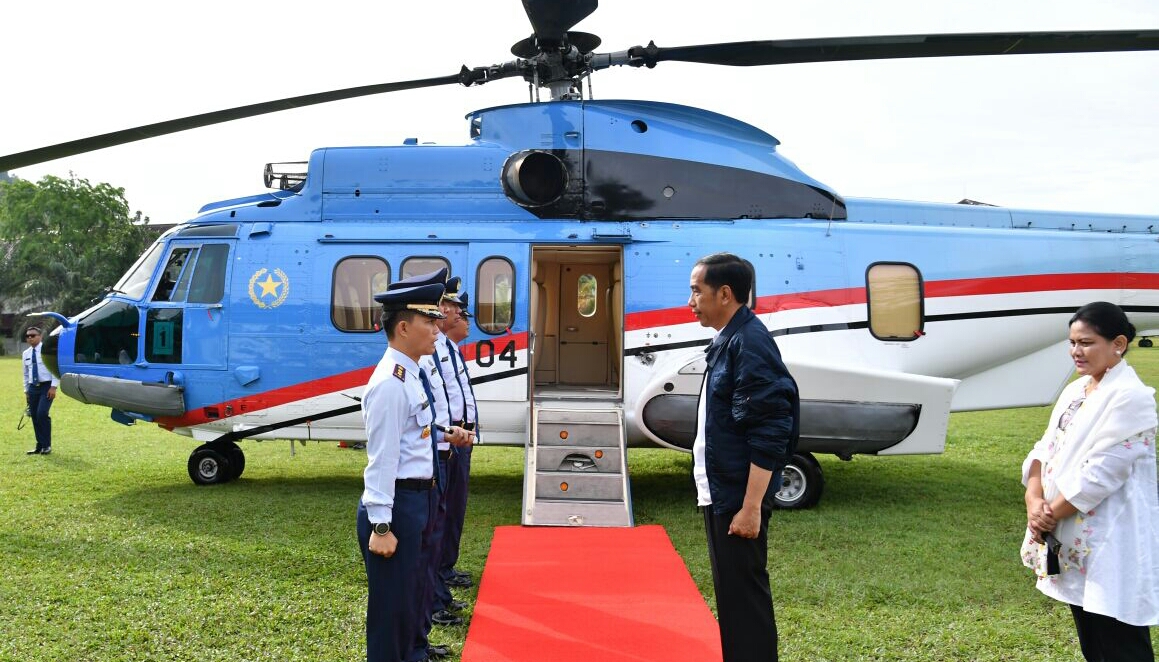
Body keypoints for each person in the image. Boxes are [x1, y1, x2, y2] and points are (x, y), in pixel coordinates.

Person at [1020, 301, 1159, 662]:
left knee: (1122, 642)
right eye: (1072, 343)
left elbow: (1102, 475)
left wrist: (1048, 513)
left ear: (1118, 344)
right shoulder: (1076, 391)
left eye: (1086, 343)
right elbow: (1043, 449)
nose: (1076, 352)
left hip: (1111, 538)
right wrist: (1034, 502)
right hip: (1068, 534)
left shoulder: (1132, 398)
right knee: (1092, 642)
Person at [687, 252, 799, 662]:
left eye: (697, 291)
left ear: (726, 293)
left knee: (744, 595)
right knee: (733, 596)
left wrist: (750, 507)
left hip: (737, 496)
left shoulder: (749, 341)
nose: (691, 301)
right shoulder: (730, 338)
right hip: (722, 490)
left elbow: (770, 429)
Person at [356, 278, 447, 662]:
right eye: (430, 320)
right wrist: (381, 526)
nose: (437, 328)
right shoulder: (390, 384)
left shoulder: (409, 373)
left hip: (417, 500)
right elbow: (383, 459)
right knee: (391, 613)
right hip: (396, 508)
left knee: (411, 598)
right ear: (404, 326)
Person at [438, 291, 478, 592]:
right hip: (448, 439)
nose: (463, 319)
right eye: (458, 311)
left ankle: (446, 568)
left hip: (460, 438)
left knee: (455, 508)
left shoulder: (450, 348)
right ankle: (440, 574)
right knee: (445, 510)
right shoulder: (435, 349)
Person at [22, 326, 59, 455]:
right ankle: (39, 445)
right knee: (34, 417)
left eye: (33, 335)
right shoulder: (26, 354)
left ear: (40, 336)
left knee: (42, 414)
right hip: (33, 388)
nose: (30, 338)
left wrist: (53, 387)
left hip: (46, 387)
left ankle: (47, 445)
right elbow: (26, 374)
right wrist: (26, 390)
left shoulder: (47, 351)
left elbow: (54, 369)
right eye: (28, 336)